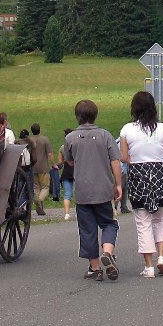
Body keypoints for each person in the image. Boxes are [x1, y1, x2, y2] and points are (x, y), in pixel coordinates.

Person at [119, 91, 163, 278]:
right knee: (160, 218)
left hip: (138, 175)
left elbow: (124, 157)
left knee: (143, 221)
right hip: (159, 175)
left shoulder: (127, 129)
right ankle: (161, 257)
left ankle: (149, 266)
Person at [64, 99, 121, 282]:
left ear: (77, 116)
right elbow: (115, 161)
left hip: (82, 192)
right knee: (109, 223)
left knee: (87, 230)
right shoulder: (105, 135)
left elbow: (69, 161)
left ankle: (95, 268)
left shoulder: (70, 138)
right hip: (103, 189)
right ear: (95, 115)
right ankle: (107, 252)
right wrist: (118, 184)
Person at [58, 136, 74, 220]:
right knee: (78, 194)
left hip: (66, 173)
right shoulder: (77, 146)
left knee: (67, 195)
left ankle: (67, 214)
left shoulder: (62, 148)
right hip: (77, 172)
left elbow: (60, 163)